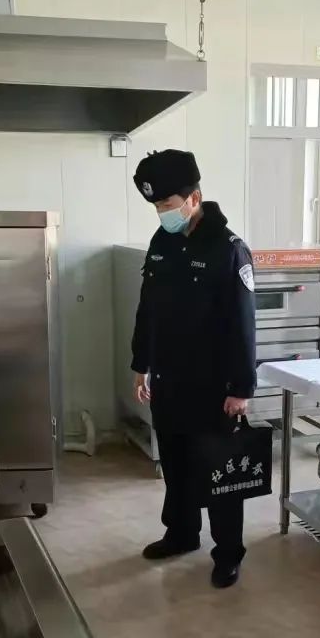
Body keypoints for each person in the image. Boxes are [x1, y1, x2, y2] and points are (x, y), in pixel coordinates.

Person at [130, 149, 257, 589]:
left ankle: (228, 552)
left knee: (219, 470)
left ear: (194, 198)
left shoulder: (229, 249)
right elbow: (147, 308)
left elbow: (243, 325)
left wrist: (241, 388)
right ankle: (182, 533)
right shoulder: (161, 242)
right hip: (169, 380)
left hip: (213, 385)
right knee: (176, 463)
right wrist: (141, 363)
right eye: (156, 206)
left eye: (167, 204)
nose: (162, 213)